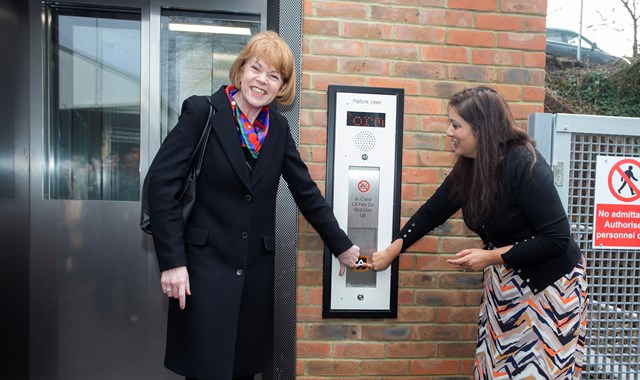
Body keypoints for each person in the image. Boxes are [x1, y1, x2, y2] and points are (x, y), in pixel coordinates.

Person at [146, 31, 360, 380]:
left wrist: (343, 246)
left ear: (282, 86)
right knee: (206, 370)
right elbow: (161, 186)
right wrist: (172, 262)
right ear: (241, 69)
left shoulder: (278, 128)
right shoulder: (203, 112)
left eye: (273, 75)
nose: (262, 80)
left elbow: (306, 191)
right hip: (202, 273)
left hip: (254, 277)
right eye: (256, 69)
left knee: (242, 371)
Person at [367, 86, 588, 379]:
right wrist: (393, 250)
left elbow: (557, 239)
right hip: (505, 280)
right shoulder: (470, 167)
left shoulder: (525, 164)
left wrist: (491, 256)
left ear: (482, 129)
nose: (448, 131)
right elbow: (432, 211)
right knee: (496, 369)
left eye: (456, 125)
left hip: (549, 289)